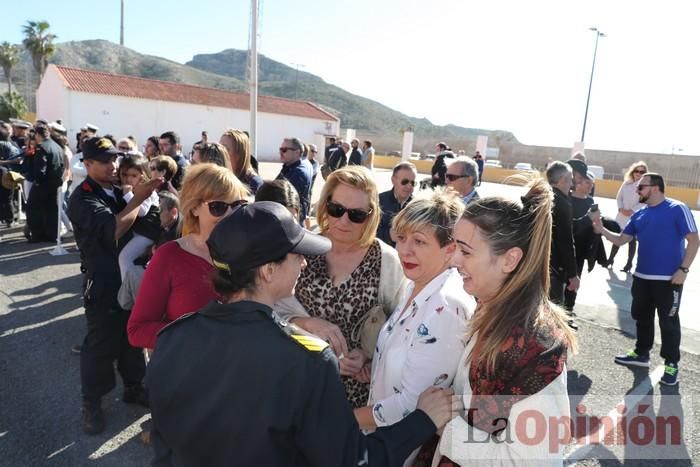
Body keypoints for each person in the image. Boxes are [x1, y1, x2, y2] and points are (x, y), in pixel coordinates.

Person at [146, 201, 460, 466]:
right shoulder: (306, 361)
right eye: (296, 255)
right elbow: (352, 460)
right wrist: (423, 419)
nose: (304, 262)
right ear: (268, 271)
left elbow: (164, 443)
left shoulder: (173, 338)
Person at [435, 177, 578, 465]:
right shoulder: (491, 307)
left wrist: (446, 427)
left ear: (510, 260)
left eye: (466, 251)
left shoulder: (537, 349)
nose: (453, 261)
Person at [357, 189, 476, 467]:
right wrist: (377, 367)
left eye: (419, 241)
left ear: (450, 249)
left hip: (403, 451)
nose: (405, 250)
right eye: (401, 238)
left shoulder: (445, 306)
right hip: (383, 441)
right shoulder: (415, 284)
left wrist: (342, 419)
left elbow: (413, 405)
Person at [275, 166, 407, 408]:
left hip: (355, 401)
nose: (344, 221)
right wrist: (305, 323)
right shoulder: (301, 246)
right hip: (296, 386)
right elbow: (270, 308)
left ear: (371, 215)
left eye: (356, 215)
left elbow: (401, 328)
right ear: (325, 205)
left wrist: (368, 356)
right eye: (337, 210)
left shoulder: (387, 261)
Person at [67, 136, 163, 435]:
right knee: (100, 344)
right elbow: (114, 230)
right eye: (105, 160)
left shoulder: (114, 189)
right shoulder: (82, 197)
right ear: (87, 164)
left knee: (131, 336)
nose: (113, 165)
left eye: (114, 159)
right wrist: (138, 198)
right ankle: (91, 402)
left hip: (129, 276)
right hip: (103, 280)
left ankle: (134, 386)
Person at [128, 163, 249, 351]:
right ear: (194, 208)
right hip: (192, 373)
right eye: (218, 207)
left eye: (238, 206)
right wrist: (198, 336)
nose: (230, 214)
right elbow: (138, 330)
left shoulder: (250, 253)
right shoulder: (170, 256)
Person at [593, 173, 699, 386]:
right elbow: (622, 240)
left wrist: (683, 270)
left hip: (670, 280)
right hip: (641, 278)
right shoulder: (640, 215)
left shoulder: (677, 208)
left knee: (668, 322)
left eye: (641, 187)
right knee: (642, 316)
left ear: (656, 188)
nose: (637, 191)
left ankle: (671, 365)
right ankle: (642, 354)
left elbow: (694, 240)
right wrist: (601, 230)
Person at [117, 154, 162, 280]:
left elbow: (142, 211)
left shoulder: (148, 190)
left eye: (134, 175)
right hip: (138, 232)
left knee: (125, 257)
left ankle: (128, 289)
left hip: (147, 234)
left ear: (142, 176)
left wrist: (128, 194)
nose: (128, 179)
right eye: (125, 175)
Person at [547, 161, 579, 329]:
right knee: (553, 319)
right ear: (561, 180)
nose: (572, 184)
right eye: (570, 180)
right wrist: (573, 274)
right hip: (554, 269)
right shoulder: (561, 202)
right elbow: (566, 241)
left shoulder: (538, 196)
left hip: (535, 265)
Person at [26, 125, 64, 242]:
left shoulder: (42, 148)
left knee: (34, 209)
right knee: (51, 210)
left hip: (43, 184)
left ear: (38, 134)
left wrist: (36, 181)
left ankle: (37, 235)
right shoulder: (57, 146)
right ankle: (52, 234)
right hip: (55, 182)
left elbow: (40, 170)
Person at [563, 170, 595, 311]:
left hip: (582, 249)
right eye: (588, 182)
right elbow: (568, 225)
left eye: (592, 184)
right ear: (578, 183)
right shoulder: (567, 199)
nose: (591, 186)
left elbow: (592, 223)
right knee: (562, 280)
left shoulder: (590, 201)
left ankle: (569, 311)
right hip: (567, 246)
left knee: (575, 280)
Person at [608, 161, 648, 272]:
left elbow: (644, 202)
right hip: (621, 215)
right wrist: (621, 209)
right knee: (617, 238)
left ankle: (629, 264)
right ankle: (610, 259)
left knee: (632, 241)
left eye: (642, 172)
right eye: (637, 171)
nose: (638, 174)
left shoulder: (645, 186)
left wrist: (632, 211)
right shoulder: (626, 183)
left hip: (634, 217)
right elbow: (619, 197)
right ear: (633, 172)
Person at [377, 161, 417, 247]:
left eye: (413, 183)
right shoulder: (377, 201)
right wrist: (388, 235)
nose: (409, 186)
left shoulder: (418, 206)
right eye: (405, 181)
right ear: (393, 180)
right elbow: (365, 231)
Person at [277, 137, 313, 224]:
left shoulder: (298, 173)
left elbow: (283, 200)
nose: (281, 153)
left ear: (297, 152)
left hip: (291, 222)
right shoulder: (289, 166)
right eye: (280, 149)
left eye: (284, 150)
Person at [219, 128, 262, 193]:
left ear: (239, 154)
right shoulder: (219, 178)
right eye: (219, 147)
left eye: (225, 149)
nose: (219, 152)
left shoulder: (254, 183)